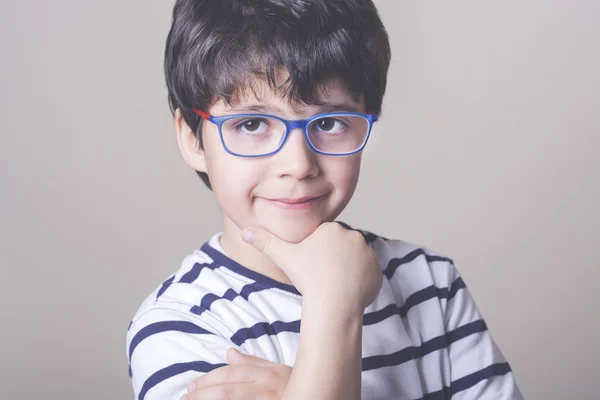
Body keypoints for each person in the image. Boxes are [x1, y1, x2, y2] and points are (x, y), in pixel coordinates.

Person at [126, 0, 524, 399]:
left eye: (330, 123)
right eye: (252, 123)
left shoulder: (430, 284)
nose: (298, 164)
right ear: (192, 138)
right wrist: (334, 308)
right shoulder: (180, 326)